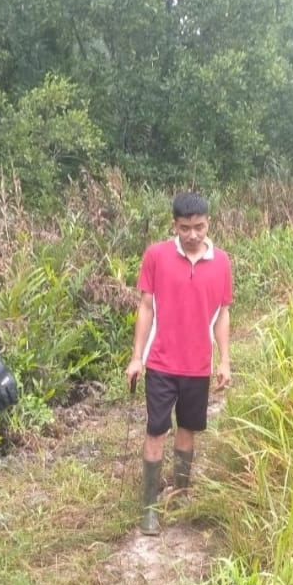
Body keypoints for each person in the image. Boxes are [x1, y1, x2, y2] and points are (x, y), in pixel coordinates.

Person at [125, 192, 233, 535]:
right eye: (185, 228)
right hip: (161, 363)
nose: (192, 234)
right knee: (156, 430)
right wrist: (137, 357)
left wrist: (225, 360)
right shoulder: (156, 256)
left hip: (198, 366)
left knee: (188, 430)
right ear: (174, 225)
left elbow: (223, 314)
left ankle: (181, 492)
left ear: (208, 223)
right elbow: (146, 307)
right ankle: (150, 508)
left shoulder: (222, 262)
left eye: (199, 227)